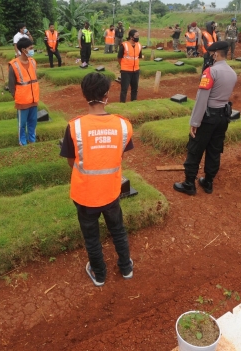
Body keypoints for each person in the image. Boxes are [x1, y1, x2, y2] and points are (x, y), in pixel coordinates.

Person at [59, 72, 134, 287]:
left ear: (84, 95)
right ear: (107, 94)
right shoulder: (123, 125)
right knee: (117, 229)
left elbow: (71, 161)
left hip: (85, 195)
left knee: (92, 237)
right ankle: (126, 268)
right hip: (111, 191)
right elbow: (119, 153)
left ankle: (99, 274)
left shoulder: (75, 126)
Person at [173, 41, 237, 196]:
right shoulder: (233, 73)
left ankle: (189, 183)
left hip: (208, 117)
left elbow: (202, 98)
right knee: (215, 150)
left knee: (195, 149)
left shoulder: (210, 72)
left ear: (215, 53)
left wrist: (194, 122)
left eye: (211, 53)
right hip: (223, 117)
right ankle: (208, 181)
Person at [8, 37, 39, 146]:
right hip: (22, 101)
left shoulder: (33, 62)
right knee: (22, 124)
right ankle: (23, 143)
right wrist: (17, 97)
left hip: (34, 99)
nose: (32, 50)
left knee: (33, 122)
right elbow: (11, 85)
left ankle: (32, 141)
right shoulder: (14, 65)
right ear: (23, 49)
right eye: (30, 48)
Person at [118, 29, 142, 103]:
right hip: (126, 71)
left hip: (136, 70)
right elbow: (119, 58)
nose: (138, 37)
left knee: (135, 89)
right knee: (124, 89)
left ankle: (133, 103)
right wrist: (123, 66)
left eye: (138, 36)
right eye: (136, 36)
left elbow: (139, 57)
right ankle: (122, 104)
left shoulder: (139, 45)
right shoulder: (124, 45)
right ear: (131, 37)